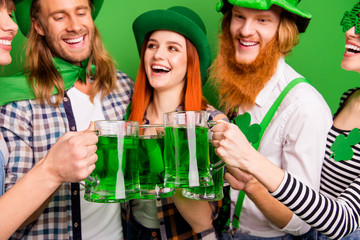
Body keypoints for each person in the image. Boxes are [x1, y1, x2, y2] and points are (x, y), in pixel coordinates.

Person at [212, 1, 360, 239]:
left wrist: (250, 164)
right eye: (239, 16)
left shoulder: (305, 105)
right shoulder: (351, 98)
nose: (351, 31)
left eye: (262, 19)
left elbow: (343, 221)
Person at [0, 0, 133, 239]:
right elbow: (12, 218)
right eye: (59, 17)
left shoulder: (122, 86)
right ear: (38, 26)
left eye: (81, 12)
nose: (74, 26)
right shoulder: (18, 102)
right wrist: (56, 170)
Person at [123, 6, 228, 239]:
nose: (158, 55)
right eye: (152, 45)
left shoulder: (211, 124)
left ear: (192, 61)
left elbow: (206, 221)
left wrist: (171, 156)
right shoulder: (130, 117)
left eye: (173, 48)